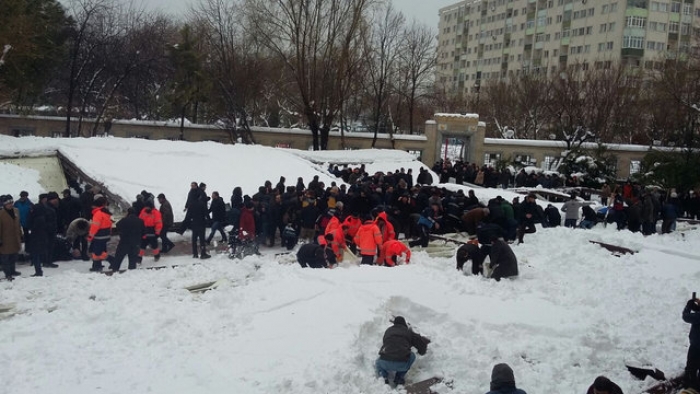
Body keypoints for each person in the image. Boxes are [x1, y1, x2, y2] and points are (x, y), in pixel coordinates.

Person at [375, 316, 430, 386]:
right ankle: (399, 378)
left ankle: (383, 377)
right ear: (404, 324)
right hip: (402, 365)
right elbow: (421, 348)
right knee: (412, 355)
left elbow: (385, 342)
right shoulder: (408, 332)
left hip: (385, 363)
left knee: (378, 362)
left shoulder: (388, 330)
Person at [87, 195, 112, 272]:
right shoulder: (105, 212)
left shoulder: (97, 214)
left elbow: (95, 226)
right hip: (105, 235)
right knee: (98, 251)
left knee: (98, 252)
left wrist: (90, 236)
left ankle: (113, 261)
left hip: (99, 235)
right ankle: (96, 265)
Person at [0, 195, 23, 280]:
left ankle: (13, 270)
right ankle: (8, 274)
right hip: (5, 239)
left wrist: (21, 234)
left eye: (11, 203)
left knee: (14, 256)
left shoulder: (16, 211)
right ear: (4, 204)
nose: (10, 205)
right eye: (8, 203)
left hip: (15, 238)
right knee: (5, 258)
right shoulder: (1, 213)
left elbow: (18, 224)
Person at [683, 296, 700, 390]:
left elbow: (685, 316)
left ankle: (692, 386)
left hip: (697, 346)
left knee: (691, 367)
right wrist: (698, 307)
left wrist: (688, 306)